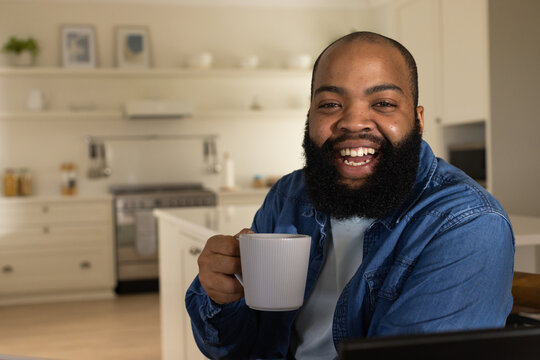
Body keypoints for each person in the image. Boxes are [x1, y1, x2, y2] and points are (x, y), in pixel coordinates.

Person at [185, 31, 515, 359]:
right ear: (309, 118)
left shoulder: (467, 225)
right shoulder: (289, 196)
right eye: (330, 104)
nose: (354, 122)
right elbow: (232, 350)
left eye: (383, 103)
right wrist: (218, 297)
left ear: (417, 120)